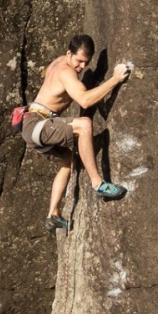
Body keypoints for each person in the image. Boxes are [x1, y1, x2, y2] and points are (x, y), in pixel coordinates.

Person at [22, 34, 132, 231]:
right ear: (68, 54)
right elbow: (85, 101)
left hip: (33, 128)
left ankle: (53, 214)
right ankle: (98, 184)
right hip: (38, 124)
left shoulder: (58, 62)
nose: (81, 67)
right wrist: (115, 79)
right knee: (84, 125)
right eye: (79, 61)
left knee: (69, 162)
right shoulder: (65, 72)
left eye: (86, 63)